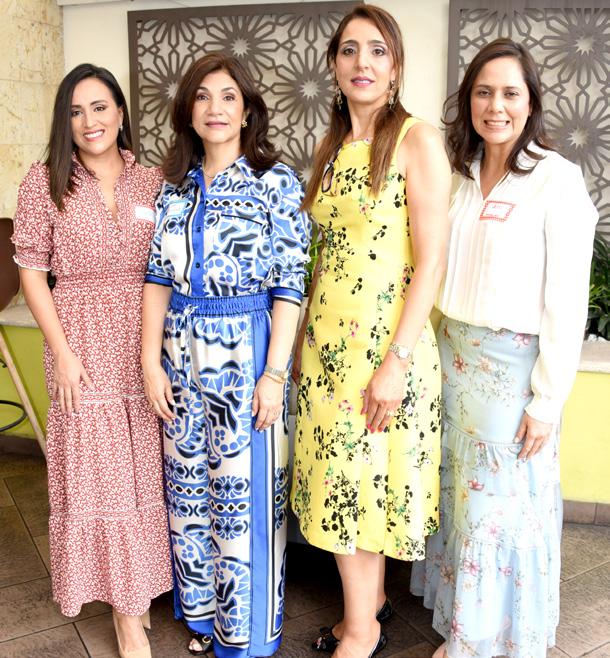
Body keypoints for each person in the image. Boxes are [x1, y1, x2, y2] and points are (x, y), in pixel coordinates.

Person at [410, 38, 598, 658]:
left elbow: (567, 300)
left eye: (510, 93)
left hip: (511, 372)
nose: (496, 106)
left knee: (502, 513)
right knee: (463, 505)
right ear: (468, 102)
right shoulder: (460, 177)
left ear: (531, 102)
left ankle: (486, 641)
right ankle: (464, 624)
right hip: (453, 360)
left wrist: (546, 401)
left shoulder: (556, 179)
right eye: (483, 92)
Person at [290, 5, 451, 658]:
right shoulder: (330, 148)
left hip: (383, 351)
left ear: (396, 67)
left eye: (377, 50)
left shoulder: (417, 139)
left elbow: (431, 261)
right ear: (334, 65)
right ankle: (371, 606)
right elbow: (324, 256)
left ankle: (361, 633)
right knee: (346, 485)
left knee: (359, 487)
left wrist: (397, 362)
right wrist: (301, 337)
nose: (363, 62)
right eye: (350, 50)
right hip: (326, 351)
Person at [141, 52, 311, 658]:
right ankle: (204, 618)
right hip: (178, 355)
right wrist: (150, 362)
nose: (215, 108)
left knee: (244, 498)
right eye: (203, 96)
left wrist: (275, 374)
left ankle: (244, 637)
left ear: (246, 112)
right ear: (188, 111)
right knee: (188, 490)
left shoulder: (275, 181)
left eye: (228, 97)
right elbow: (157, 277)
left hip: (246, 352)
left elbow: (290, 282)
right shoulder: (174, 187)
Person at [12, 64, 173, 658]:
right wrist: (62, 353)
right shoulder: (44, 181)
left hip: (145, 339)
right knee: (99, 480)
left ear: (121, 113)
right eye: (76, 112)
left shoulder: (152, 181)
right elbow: (32, 272)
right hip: (78, 340)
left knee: (144, 475)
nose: (89, 122)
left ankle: (140, 590)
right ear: (65, 121)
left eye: (100, 107)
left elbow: (167, 267)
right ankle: (127, 617)